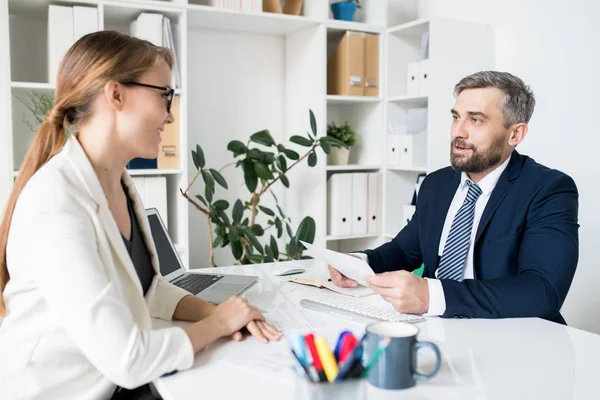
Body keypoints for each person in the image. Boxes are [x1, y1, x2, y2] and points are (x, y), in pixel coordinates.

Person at [0, 31, 281, 399]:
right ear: (115, 94)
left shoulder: (117, 182)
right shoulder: (56, 202)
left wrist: (219, 313)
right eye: (165, 95)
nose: (170, 114)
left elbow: (145, 288)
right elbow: (128, 359)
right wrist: (217, 323)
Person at [329, 71, 579, 324]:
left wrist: (432, 295)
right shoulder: (437, 183)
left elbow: (543, 291)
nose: (458, 132)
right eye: (456, 117)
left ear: (515, 134)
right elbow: (405, 250)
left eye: (476, 120)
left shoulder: (549, 189)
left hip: (510, 337)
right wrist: (361, 262)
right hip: (435, 328)